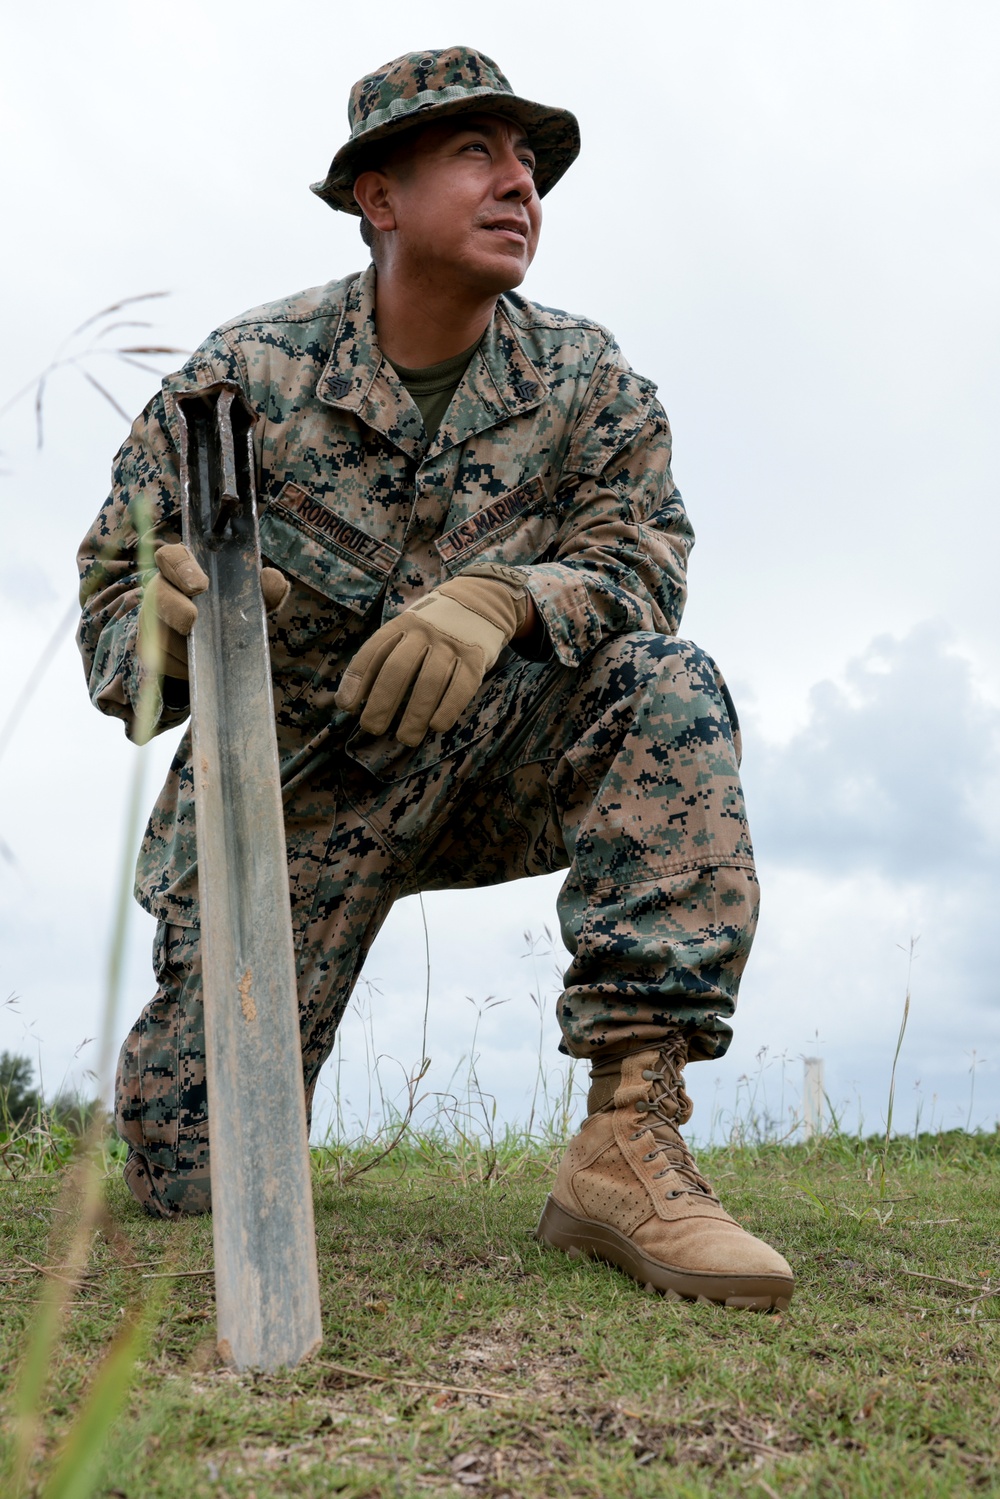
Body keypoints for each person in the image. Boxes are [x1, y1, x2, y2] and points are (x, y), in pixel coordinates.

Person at [77, 46, 793, 1309]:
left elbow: (646, 560)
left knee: (663, 684)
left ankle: (626, 1139)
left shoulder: (584, 382)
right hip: (280, 807)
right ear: (379, 198)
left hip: (486, 758)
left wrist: (508, 593)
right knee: (190, 1177)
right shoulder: (240, 380)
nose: (519, 183)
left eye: (530, 163)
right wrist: (164, 622)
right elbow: (114, 623)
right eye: (477, 153)